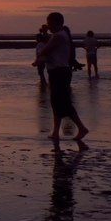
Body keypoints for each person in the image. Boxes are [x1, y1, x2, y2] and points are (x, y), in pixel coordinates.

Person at [34, 12, 89, 145]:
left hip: (60, 72)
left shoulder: (60, 35)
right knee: (56, 102)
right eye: (48, 24)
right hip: (56, 71)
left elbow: (46, 50)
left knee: (63, 102)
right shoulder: (57, 35)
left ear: (60, 24)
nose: (50, 26)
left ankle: (81, 127)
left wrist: (40, 50)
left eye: (52, 24)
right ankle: (55, 132)